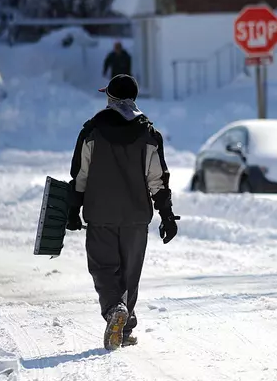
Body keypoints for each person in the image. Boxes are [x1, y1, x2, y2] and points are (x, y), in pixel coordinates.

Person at [65, 74, 180, 350]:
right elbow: (157, 179)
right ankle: (125, 328)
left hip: (100, 214)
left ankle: (115, 310)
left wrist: (72, 209)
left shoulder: (92, 131)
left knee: (104, 269)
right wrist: (166, 215)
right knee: (130, 274)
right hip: (136, 217)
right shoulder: (149, 134)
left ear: (110, 98)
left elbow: (81, 175)